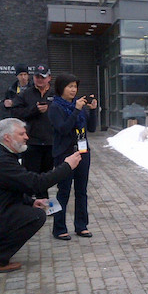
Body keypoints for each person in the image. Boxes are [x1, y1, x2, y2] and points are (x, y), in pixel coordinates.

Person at [0, 118, 82, 273]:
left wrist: (30, 202)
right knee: (36, 216)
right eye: (21, 134)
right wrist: (67, 166)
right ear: (7, 137)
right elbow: (35, 183)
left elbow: (9, 188)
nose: (26, 137)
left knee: (29, 209)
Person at [48, 74, 98, 241]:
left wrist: (92, 110)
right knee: (63, 191)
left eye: (75, 86)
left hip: (83, 152)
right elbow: (63, 129)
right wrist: (76, 110)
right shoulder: (55, 107)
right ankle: (59, 228)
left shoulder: (79, 105)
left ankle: (81, 225)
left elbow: (91, 128)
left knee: (81, 191)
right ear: (61, 88)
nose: (73, 90)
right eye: (70, 86)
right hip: (64, 153)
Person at [10, 64, 54, 198]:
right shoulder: (25, 94)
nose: (39, 79)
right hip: (32, 142)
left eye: (42, 77)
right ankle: (29, 202)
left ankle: (43, 201)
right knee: (30, 175)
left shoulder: (56, 94)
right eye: (37, 77)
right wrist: (34, 110)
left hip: (50, 143)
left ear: (49, 78)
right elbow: (15, 112)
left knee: (46, 176)